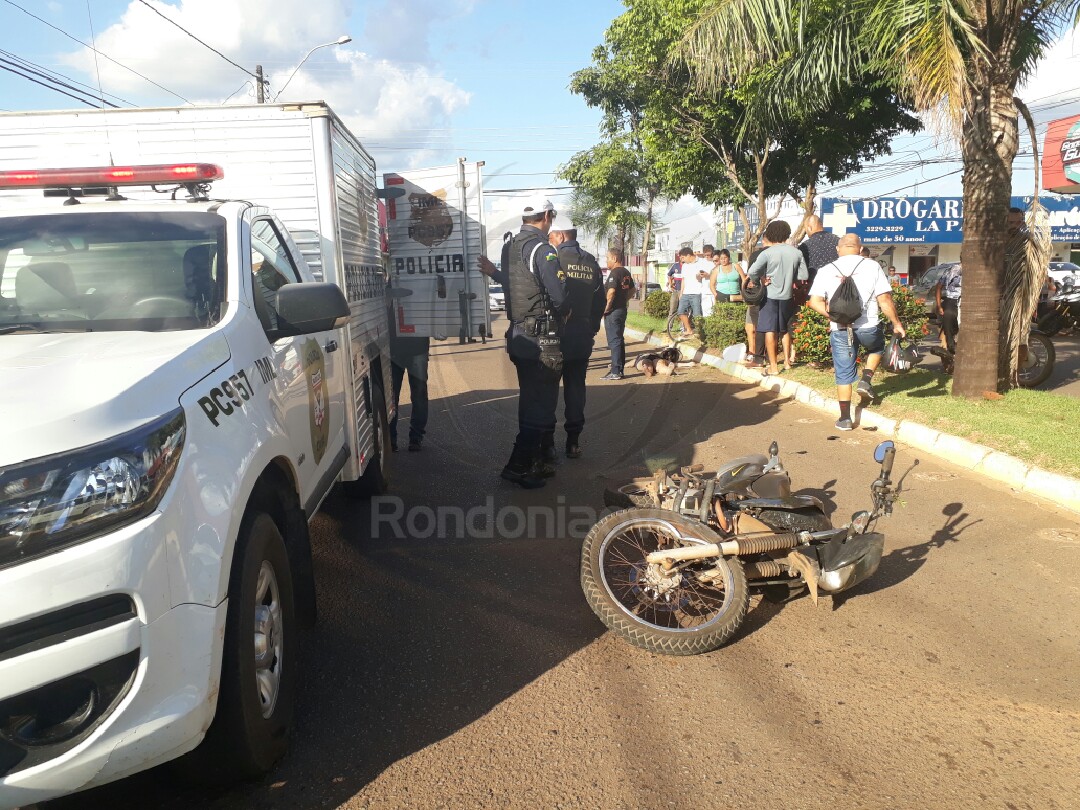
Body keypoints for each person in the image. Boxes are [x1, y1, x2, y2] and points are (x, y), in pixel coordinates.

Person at [476, 198, 569, 488]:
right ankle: (518, 466)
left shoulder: (510, 246)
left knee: (530, 401)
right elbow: (560, 296)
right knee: (542, 406)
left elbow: (515, 284)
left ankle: (536, 461)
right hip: (542, 338)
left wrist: (493, 272)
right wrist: (565, 313)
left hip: (519, 336)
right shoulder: (543, 249)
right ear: (548, 216)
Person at [808, 233, 906, 431]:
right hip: (869, 325)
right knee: (877, 348)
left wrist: (833, 316)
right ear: (860, 249)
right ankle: (866, 379)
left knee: (843, 372)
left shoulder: (827, 270)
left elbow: (814, 302)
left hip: (840, 329)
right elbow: (885, 299)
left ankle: (845, 418)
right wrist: (896, 323)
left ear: (838, 249)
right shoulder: (872, 266)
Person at [547, 215, 605, 458]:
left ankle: (547, 444)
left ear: (560, 236)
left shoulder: (552, 259)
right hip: (581, 335)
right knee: (575, 389)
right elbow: (600, 301)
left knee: (548, 390)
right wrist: (590, 328)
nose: (549, 240)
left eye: (550, 236)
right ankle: (573, 442)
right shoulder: (591, 262)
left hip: (555, 334)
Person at [746, 220, 808, 375]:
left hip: (770, 297)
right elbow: (804, 275)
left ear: (771, 233)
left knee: (770, 330)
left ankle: (773, 367)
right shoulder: (796, 252)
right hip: (788, 296)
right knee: (785, 329)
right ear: (787, 233)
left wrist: (760, 280)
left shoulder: (767, 253)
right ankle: (787, 362)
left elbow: (752, 272)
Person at [389, 332, 430, 453]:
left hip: (399, 348)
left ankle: (398, 439)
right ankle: (414, 438)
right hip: (408, 348)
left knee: (394, 396)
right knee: (417, 395)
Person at [602, 248, 635, 380]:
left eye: (607, 258)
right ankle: (619, 370)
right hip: (622, 309)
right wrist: (624, 300)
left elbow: (611, 292)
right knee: (619, 339)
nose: (606, 261)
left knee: (614, 340)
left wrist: (607, 308)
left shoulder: (614, 273)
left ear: (614, 259)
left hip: (613, 311)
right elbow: (633, 290)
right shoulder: (626, 272)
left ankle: (615, 371)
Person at [797, 214, 839, 287]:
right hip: (837, 285)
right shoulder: (838, 241)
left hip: (814, 287)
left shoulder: (805, 246)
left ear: (809, 228)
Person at [676, 246, 708, 336]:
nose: (682, 260)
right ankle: (689, 329)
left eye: (683, 257)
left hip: (697, 293)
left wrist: (700, 275)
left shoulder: (701, 262)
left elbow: (705, 275)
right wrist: (681, 293)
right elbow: (683, 280)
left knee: (697, 315)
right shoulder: (685, 266)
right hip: (685, 293)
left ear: (689, 255)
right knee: (680, 311)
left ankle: (701, 334)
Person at [936, 262, 962, 354]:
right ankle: (950, 345)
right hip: (952, 300)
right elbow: (938, 287)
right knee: (948, 314)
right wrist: (939, 306)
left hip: (966, 301)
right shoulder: (951, 270)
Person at [666, 251, 683, 318]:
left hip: (684, 292)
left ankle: (683, 327)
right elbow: (669, 275)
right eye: (680, 255)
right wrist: (671, 284)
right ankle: (669, 327)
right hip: (675, 291)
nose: (682, 257)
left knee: (683, 310)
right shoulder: (675, 265)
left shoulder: (688, 266)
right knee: (672, 309)